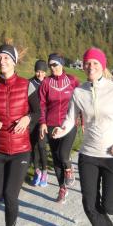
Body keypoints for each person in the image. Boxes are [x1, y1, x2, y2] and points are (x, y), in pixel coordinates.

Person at [53, 47, 113, 226]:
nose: (90, 66)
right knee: (90, 206)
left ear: (102, 66)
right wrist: (62, 129)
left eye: (95, 63)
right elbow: (70, 119)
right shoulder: (78, 92)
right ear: (83, 66)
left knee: (110, 204)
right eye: (87, 63)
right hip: (88, 156)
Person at [0, 43, 40, 226]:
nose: (1, 60)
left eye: (6, 57)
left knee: (10, 195)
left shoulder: (27, 85)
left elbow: (37, 112)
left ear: (14, 62)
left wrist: (27, 118)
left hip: (20, 149)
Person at [38, 53, 79, 203]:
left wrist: (83, 119)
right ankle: (62, 188)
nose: (52, 67)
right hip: (50, 124)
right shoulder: (46, 83)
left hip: (68, 124)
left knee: (63, 154)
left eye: (55, 64)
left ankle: (69, 168)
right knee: (55, 157)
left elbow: (81, 100)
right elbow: (41, 104)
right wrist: (42, 122)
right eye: (50, 65)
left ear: (61, 64)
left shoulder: (73, 81)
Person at [29, 60, 49, 187]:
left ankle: (45, 172)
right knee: (33, 146)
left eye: (42, 71)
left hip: (44, 120)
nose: (40, 74)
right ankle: (37, 171)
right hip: (32, 120)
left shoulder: (48, 83)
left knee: (41, 146)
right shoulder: (29, 83)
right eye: (37, 71)